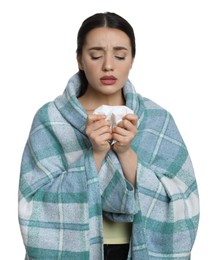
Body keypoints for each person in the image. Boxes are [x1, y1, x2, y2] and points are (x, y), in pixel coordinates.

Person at [18, 12, 199, 260]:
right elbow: (33, 204)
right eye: (95, 55)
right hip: (75, 251)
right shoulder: (50, 118)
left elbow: (184, 200)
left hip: (138, 250)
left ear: (132, 59)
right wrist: (96, 153)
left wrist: (126, 153)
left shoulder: (158, 119)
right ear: (80, 59)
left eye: (120, 55)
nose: (108, 65)